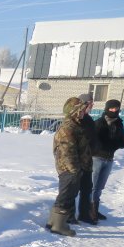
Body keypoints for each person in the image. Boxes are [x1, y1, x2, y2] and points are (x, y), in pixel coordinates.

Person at [47, 97, 91, 237]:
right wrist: (74, 170)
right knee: (67, 196)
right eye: (81, 110)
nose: (84, 112)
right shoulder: (69, 127)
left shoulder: (74, 124)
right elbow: (67, 151)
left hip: (70, 168)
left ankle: (53, 222)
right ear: (74, 111)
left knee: (66, 195)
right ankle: (59, 226)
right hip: (69, 168)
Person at [90, 99, 124, 221]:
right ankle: (89, 211)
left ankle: (95, 209)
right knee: (93, 186)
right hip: (97, 157)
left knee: (100, 186)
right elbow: (94, 141)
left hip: (109, 158)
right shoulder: (99, 123)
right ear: (107, 109)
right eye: (111, 108)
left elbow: (119, 139)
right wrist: (108, 143)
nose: (114, 110)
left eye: (116, 108)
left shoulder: (119, 124)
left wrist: (121, 143)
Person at [74, 93, 97, 225]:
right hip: (76, 161)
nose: (92, 105)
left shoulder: (89, 120)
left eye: (92, 103)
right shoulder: (76, 119)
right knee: (73, 190)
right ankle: (69, 216)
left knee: (87, 188)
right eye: (89, 103)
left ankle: (84, 214)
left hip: (87, 160)